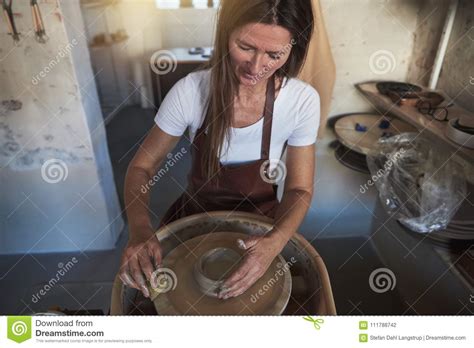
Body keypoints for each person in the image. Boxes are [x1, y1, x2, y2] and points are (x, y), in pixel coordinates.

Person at [120, 0, 327, 301]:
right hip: (193, 218)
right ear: (226, 33)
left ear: (293, 50)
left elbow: (299, 189)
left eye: (274, 55)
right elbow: (142, 168)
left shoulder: (301, 101)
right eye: (245, 46)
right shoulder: (190, 91)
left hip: (262, 226)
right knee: (151, 302)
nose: (256, 67)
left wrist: (276, 241)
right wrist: (139, 230)